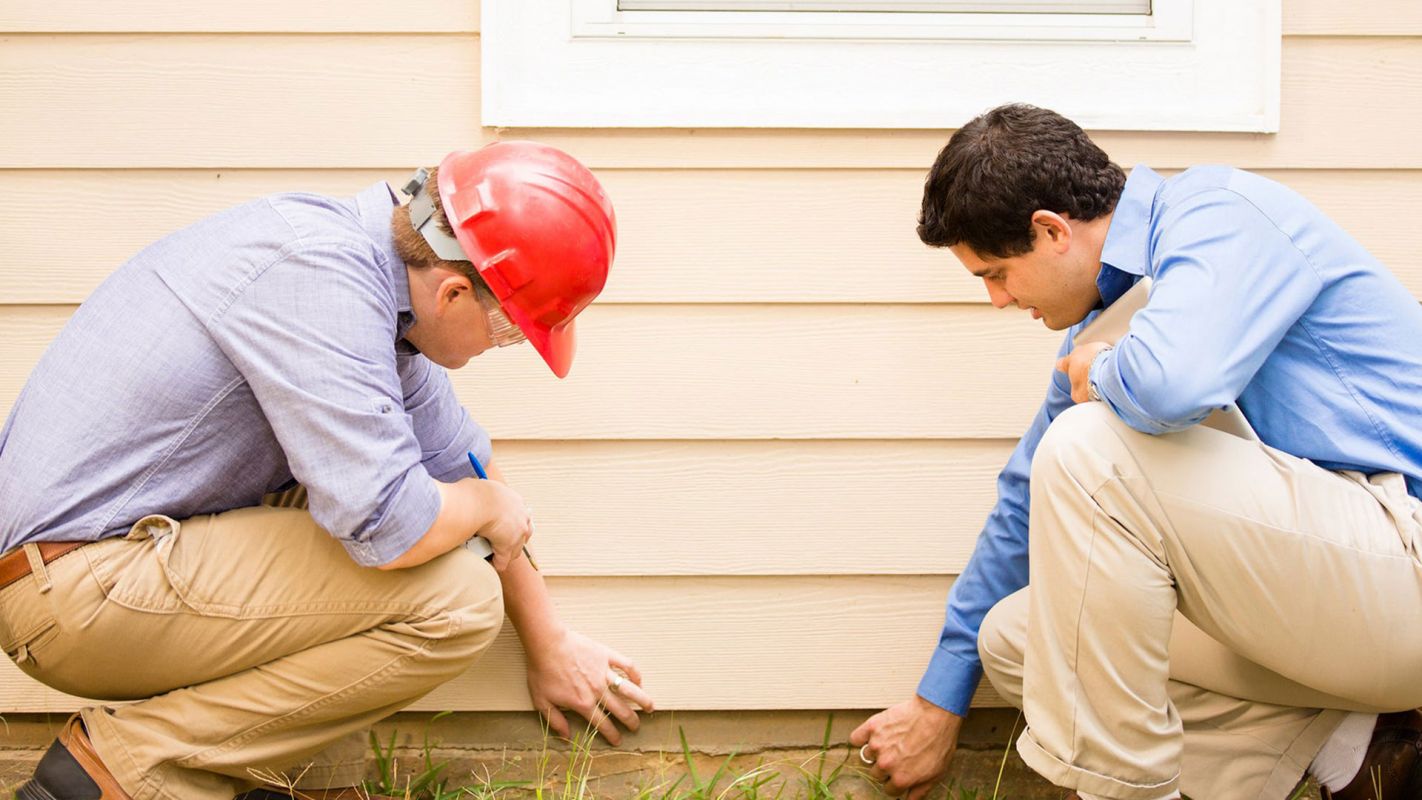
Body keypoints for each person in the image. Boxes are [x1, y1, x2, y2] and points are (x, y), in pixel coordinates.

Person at [0, 141, 655, 800]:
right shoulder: (319, 283)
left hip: (96, 570)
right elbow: (395, 525)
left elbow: (464, 461)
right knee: (457, 600)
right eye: (510, 331)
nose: (501, 347)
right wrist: (482, 507)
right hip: (73, 589)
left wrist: (549, 640)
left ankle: (182, 770)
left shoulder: (375, 293)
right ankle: (126, 773)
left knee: (394, 512)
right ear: (454, 292)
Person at [850, 104, 1422, 800]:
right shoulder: (1102, 332)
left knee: (1089, 448)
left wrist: (1107, 373)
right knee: (1017, 638)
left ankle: (1131, 794)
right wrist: (940, 701)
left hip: (1404, 559)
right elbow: (1024, 502)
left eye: (996, 273)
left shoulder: (1218, 212)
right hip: (1331, 607)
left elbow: (1174, 382)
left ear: (1050, 230)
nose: (997, 300)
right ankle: (1351, 750)